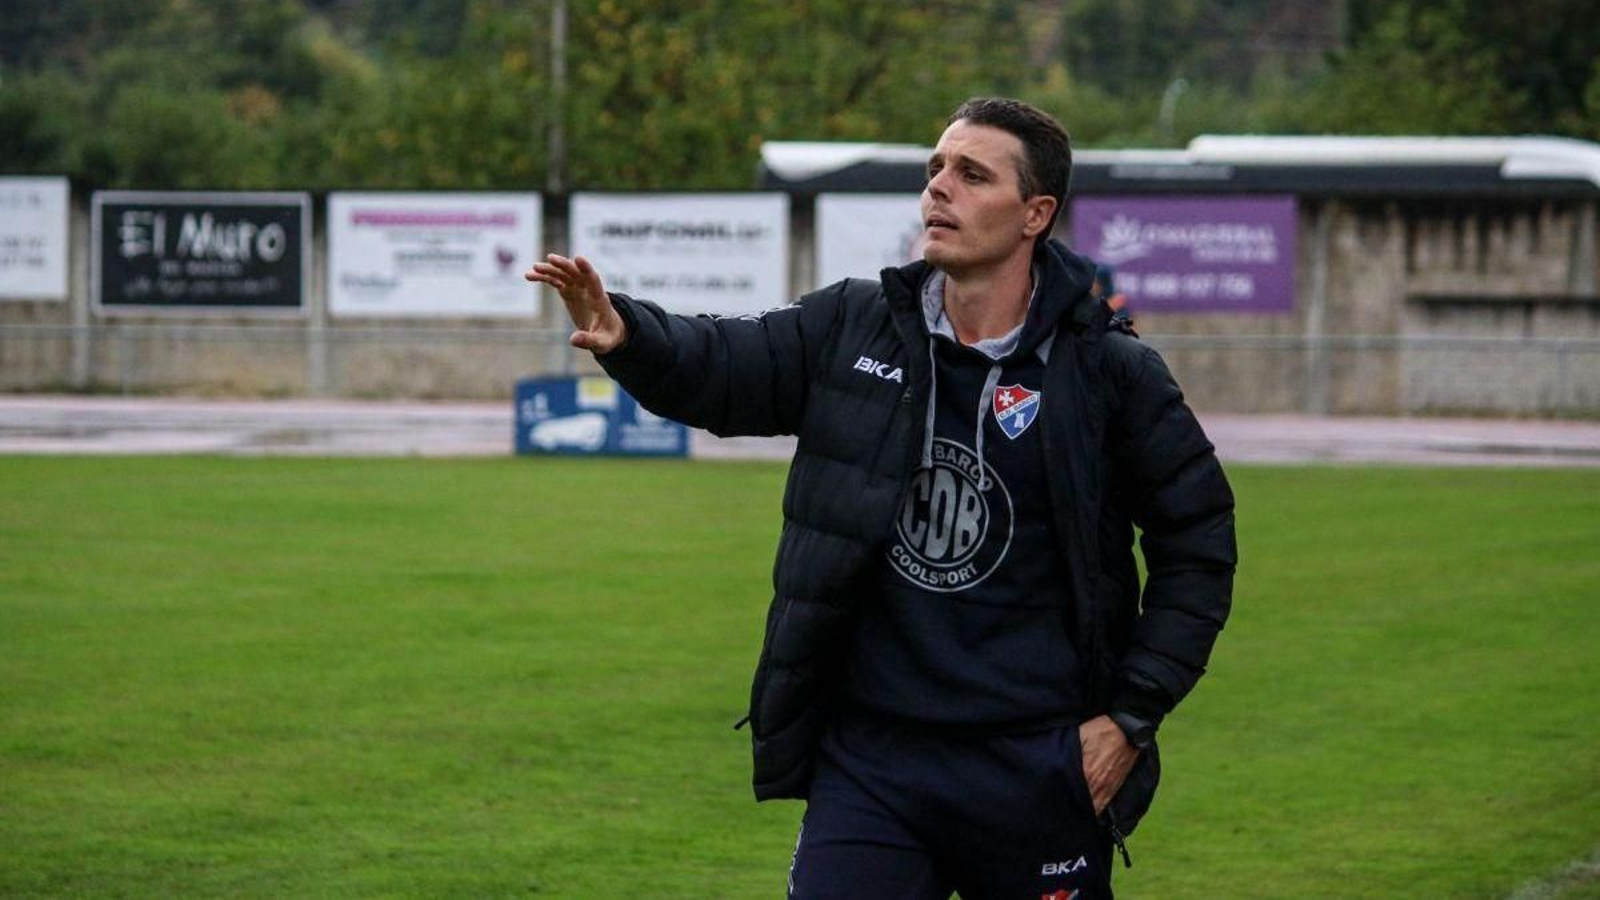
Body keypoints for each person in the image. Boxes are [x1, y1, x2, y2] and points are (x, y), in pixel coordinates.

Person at [528, 97, 1235, 900]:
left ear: (1036, 213)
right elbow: (724, 364)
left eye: (972, 175)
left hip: (1034, 763)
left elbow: (1199, 543)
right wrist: (628, 333)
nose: (940, 188)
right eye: (935, 169)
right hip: (874, 760)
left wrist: (1131, 717)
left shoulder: (1110, 373)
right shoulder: (854, 327)